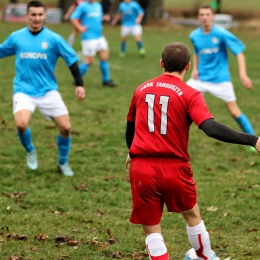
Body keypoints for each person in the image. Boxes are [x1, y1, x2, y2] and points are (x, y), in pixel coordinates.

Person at [125, 42, 260, 260]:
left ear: (161, 63)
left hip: (142, 168)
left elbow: (130, 128)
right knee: (192, 214)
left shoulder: (141, 89)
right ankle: (205, 257)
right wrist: (252, 140)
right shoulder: (190, 94)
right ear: (188, 66)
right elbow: (210, 128)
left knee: (151, 229)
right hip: (174, 168)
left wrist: (132, 152)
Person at [0, 1, 85, 176]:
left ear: (44, 16)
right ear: (27, 16)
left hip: (48, 91)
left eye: (40, 15)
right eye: (33, 15)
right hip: (23, 90)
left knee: (66, 128)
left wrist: (79, 84)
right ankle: (30, 150)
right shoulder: (17, 37)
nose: (37, 18)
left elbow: (71, 60)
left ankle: (62, 162)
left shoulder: (54, 38)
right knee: (21, 124)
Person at [186, 5, 256, 152]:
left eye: (207, 14)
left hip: (220, 80)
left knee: (234, 111)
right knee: (180, 101)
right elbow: (197, 51)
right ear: (198, 17)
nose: (204, 17)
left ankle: (254, 141)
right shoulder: (194, 35)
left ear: (212, 16)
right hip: (201, 79)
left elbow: (239, 52)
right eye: (202, 15)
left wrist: (243, 74)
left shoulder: (222, 33)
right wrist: (195, 69)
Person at [70, 0, 117, 87]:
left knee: (104, 57)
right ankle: (77, 79)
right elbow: (73, 18)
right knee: (89, 61)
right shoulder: (82, 6)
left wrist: (104, 17)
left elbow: (97, 17)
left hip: (99, 37)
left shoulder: (98, 5)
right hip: (89, 38)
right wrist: (80, 27)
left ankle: (106, 81)